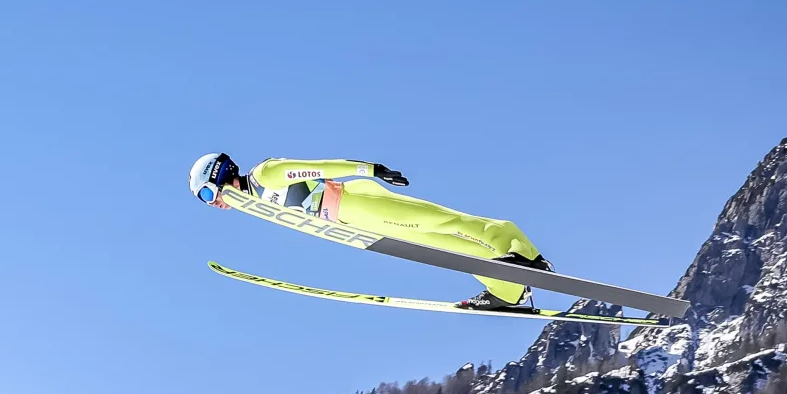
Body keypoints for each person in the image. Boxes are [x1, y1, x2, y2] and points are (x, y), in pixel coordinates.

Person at [188, 153, 550, 311]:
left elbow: (317, 168)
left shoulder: (264, 175)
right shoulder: (257, 204)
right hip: (354, 224)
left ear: (221, 175)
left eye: (208, 193)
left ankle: (519, 251)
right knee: (443, 248)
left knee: (443, 222)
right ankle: (507, 288)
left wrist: (371, 169)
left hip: (355, 202)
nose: (213, 203)